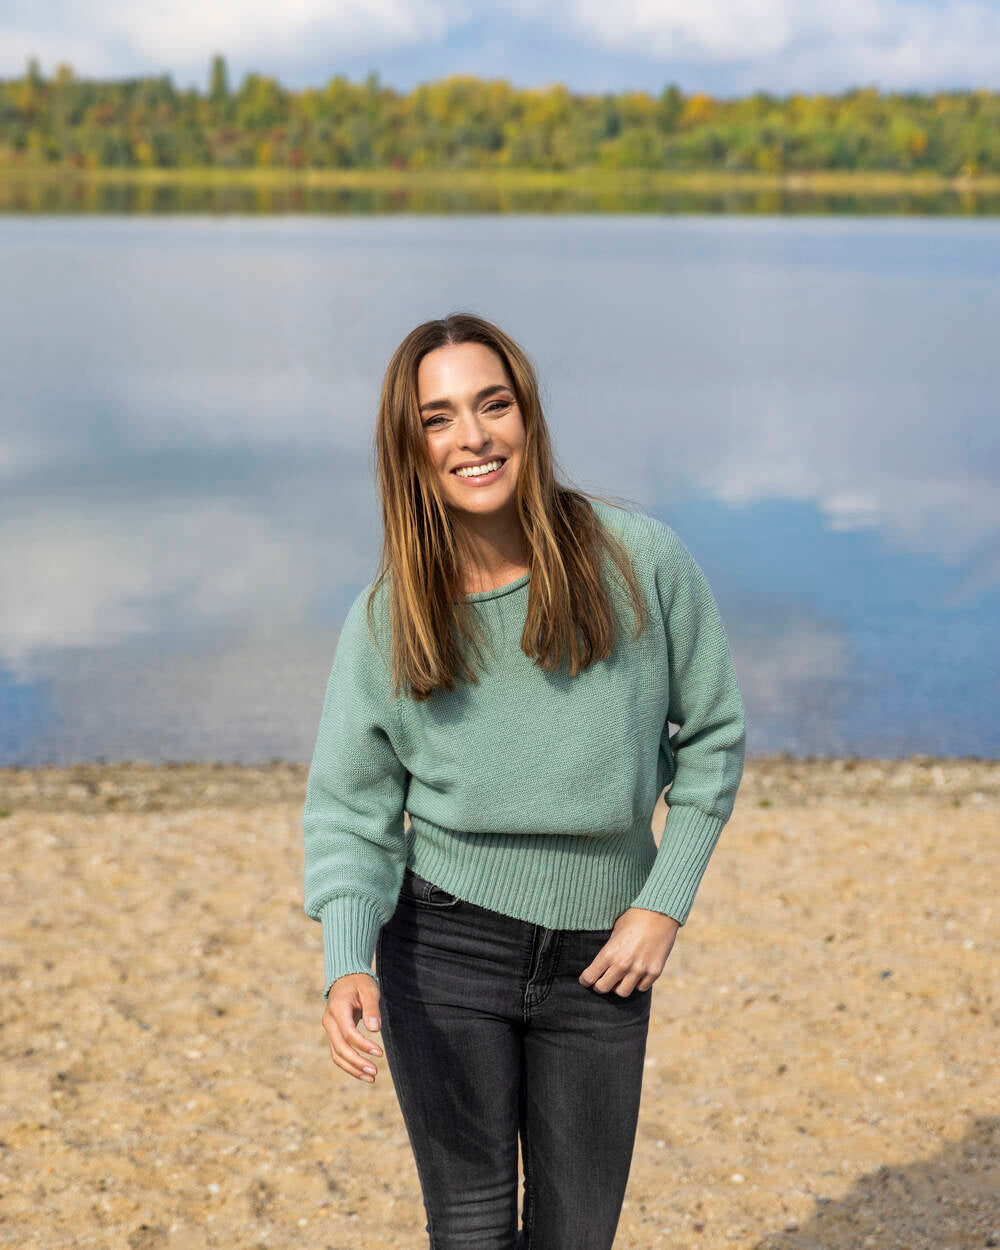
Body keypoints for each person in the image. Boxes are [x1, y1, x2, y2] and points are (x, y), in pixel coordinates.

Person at [302, 312, 747, 1250]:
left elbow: (713, 739)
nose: (472, 436)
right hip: (443, 948)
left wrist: (662, 904)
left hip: (606, 953)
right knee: (469, 1230)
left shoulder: (641, 561)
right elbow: (352, 809)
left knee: (576, 1235)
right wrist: (347, 956)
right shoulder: (387, 619)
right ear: (410, 447)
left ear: (528, 415)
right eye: (438, 418)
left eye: (492, 405)